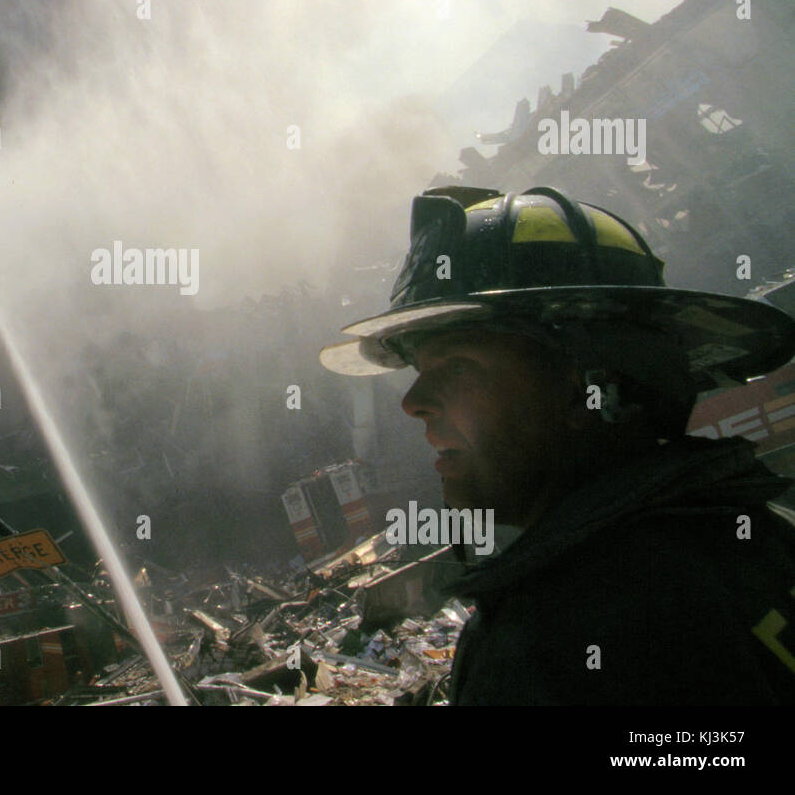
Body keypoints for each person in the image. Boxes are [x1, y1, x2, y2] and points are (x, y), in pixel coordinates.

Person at [320, 185, 795, 704]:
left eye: (458, 368)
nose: (413, 402)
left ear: (584, 391)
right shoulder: (764, 536)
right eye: (420, 369)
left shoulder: (545, 645)